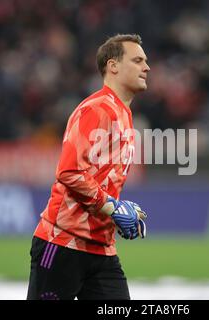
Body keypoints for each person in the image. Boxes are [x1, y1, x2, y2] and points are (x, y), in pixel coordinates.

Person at [26, 34, 150, 300]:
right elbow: (69, 171)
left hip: (101, 249)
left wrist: (115, 211)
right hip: (61, 244)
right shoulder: (97, 109)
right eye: (138, 60)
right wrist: (112, 207)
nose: (146, 67)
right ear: (113, 66)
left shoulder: (123, 114)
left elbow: (98, 179)